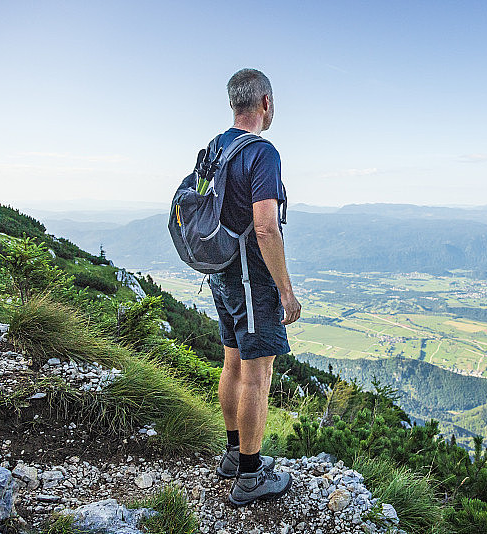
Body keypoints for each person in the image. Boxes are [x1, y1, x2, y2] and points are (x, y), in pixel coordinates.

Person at [207, 68, 301, 507]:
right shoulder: (262, 153)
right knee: (258, 374)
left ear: (233, 104)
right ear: (265, 102)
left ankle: (232, 455)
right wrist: (285, 289)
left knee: (233, 361)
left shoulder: (215, 147)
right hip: (251, 278)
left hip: (221, 271)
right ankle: (249, 476)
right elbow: (265, 226)